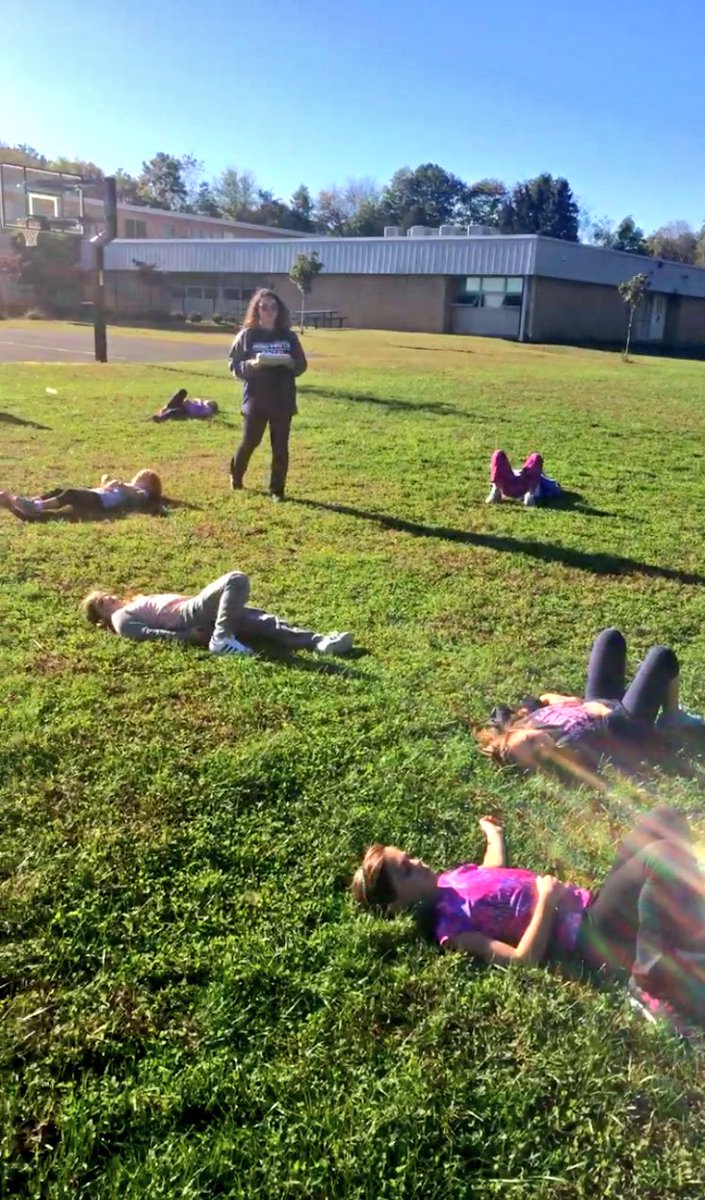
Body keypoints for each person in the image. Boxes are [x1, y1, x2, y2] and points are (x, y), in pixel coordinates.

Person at [352, 808, 705, 1031]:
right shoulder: (451, 928)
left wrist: (494, 836)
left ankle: (686, 918)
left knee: (665, 819)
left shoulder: (451, 880)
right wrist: (546, 903)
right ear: (396, 906)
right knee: (659, 857)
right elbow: (523, 960)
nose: (417, 862)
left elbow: (492, 871)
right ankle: (648, 984)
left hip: (589, 903)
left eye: (410, 857)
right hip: (585, 933)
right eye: (406, 870)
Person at [475, 627, 705, 776]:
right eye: (537, 756)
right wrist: (602, 712)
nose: (541, 747)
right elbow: (619, 736)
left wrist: (561, 700)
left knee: (609, 638)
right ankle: (672, 716)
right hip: (627, 722)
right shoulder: (569, 747)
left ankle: (635, 695)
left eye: (531, 741)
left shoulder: (530, 721)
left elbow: (541, 699)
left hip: (597, 701)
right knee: (661, 656)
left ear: (517, 730)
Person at [81, 569, 354, 657]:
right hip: (188, 616)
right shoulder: (120, 618)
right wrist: (187, 636)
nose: (110, 598)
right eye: (103, 603)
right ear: (101, 617)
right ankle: (221, 640)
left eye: (106, 595)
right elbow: (146, 634)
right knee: (236, 579)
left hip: (200, 612)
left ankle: (319, 642)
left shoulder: (133, 602)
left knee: (261, 620)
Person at [228, 288, 307, 502]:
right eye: (264, 307)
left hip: (283, 399)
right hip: (256, 400)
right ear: (257, 310)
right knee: (250, 442)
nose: (269, 311)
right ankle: (236, 475)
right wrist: (252, 365)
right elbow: (234, 365)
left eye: (273, 307)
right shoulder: (247, 335)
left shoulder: (289, 336)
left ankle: (277, 490)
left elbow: (301, 364)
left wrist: (291, 364)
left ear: (279, 310)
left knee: (280, 447)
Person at [0, 469, 162, 522]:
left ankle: (36, 506)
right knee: (59, 491)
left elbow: (136, 496)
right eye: (139, 475)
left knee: (70, 494)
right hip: (97, 494)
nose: (138, 477)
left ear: (150, 485)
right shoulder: (125, 484)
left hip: (101, 501)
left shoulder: (143, 493)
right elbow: (105, 480)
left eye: (143, 478)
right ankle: (30, 503)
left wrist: (122, 486)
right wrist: (107, 481)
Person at [152, 388, 219, 422]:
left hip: (187, 411)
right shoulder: (205, 404)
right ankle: (163, 411)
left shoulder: (207, 409)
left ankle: (161, 417)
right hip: (185, 405)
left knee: (174, 411)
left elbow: (199, 414)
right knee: (182, 391)